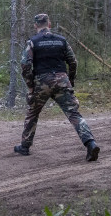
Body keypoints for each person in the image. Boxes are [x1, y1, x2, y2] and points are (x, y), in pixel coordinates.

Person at [14, 14, 100, 161]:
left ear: (36, 25)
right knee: (73, 113)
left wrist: (31, 86)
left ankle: (25, 146)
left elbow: (25, 65)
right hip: (62, 80)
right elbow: (73, 62)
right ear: (49, 24)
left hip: (42, 82)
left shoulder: (32, 42)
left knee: (33, 113)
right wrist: (70, 80)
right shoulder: (61, 40)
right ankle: (90, 144)